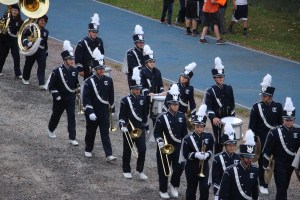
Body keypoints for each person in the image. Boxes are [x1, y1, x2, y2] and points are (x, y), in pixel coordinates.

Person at [248, 73, 283, 195]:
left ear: (270, 96)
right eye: (262, 95)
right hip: (260, 139)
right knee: (262, 161)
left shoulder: (278, 106)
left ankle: (267, 181)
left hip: (273, 140)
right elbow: (252, 126)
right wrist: (251, 141)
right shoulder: (256, 107)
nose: (263, 97)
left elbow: (280, 125)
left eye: (265, 95)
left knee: (271, 162)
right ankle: (262, 183)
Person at [154, 84, 188, 199]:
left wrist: (186, 146)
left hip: (178, 147)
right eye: (174, 104)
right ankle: (163, 189)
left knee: (179, 168)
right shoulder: (161, 117)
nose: (176, 106)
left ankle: (173, 185)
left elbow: (184, 134)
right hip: (165, 146)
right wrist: (159, 141)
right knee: (164, 169)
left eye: (177, 104)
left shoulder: (182, 116)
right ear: (169, 105)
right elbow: (157, 133)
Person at [82, 48, 116, 161]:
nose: (101, 70)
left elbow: (111, 95)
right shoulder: (88, 82)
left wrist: (113, 108)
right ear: (95, 69)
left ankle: (108, 154)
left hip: (104, 111)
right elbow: (86, 99)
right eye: (99, 69)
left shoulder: (108, 80)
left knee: (105, 133)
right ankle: (88, 149)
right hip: (93, 111)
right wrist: (90, 112)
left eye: (102, 68)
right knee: (91, 131)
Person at [262, 97, 300, 200]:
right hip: (279, 163)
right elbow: (267, 150)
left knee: (285, 186)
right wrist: (265, 165)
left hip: (291, 164)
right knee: (281, 187)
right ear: (283, 119)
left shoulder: (298, 132)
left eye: (290, 120)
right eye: (286, 120)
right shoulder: (274, 132)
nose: (288, 122)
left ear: (294, 120)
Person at [118, 67, 149, 180]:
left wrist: (147, 126)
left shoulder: (143, 98)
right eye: (135, 89)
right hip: (129, 128)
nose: (137, 90)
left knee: (143, 149)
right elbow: (122, 116)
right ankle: (126, 170)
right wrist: (122, 126)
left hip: (140, 128)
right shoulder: (125, 100)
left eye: (139, 89)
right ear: (131, 89)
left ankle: (139, 170)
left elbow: (145, 115)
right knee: (127, 150)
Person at [47, 40, 79, 146]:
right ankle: (51, 128)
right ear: (65, 60)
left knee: (71, 117)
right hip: (60, 97)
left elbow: (76, 84)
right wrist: (57, 96)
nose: (72, 61)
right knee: (56, 115)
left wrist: (77, 91)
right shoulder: (57, 71)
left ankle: (72, 137)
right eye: (70, 59)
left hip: (70, 97)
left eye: (72, 59)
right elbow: (51, 86)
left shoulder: (75, 71)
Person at [181, 104, 214, 200]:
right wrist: (195, 154)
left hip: (204, 167)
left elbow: (211, 150)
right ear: (194, 125)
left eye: (201, 126)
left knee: (205, 188)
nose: (199, 128)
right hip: (191, 167)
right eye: (197, 126)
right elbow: (185, 154)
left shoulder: (209, 136)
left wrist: (208, 154)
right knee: (191, 189)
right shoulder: (187, 138)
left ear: (204, 126)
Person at [204, 57, 235, 154]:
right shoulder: (210, 91)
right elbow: (208, 107)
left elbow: (232, 104)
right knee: (219, 141)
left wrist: (232, 118)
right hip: (217, 119)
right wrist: (213, 117)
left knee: (230, 140)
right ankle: (217, 158)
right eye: (218, 77)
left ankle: (228, 157)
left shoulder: (229, 88)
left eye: (222, 77)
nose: (221, 78)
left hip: (228, 118)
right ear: (214, 78)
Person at [218, 129, 259, 200]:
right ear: (241, 157)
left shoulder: (255, 170)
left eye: (251, 157)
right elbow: (223, 194)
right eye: (247, 157)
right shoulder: (230, 171)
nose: (249, 160)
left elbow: (255, 191)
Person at [163, 62, 197, 127]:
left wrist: (193, 115)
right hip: (172, 111)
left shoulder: (190, 88)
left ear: (188, 79)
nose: (183, 78)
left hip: (182, 112)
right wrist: (164, 111)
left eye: (185, 77)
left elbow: (192, 102)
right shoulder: (174, 85)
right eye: (182, 76)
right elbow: (168, 99)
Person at [212, 123, 240, 200]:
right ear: (225, 145)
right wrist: (217, 193)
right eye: (229, 145)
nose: (232, 147)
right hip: (222, 189)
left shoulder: (238, 158)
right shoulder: (217, 158)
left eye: (233, 145)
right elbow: (216, 177)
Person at [140, 44, 165, 127]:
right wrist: (148, 92)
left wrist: (161, 91)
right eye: (150, 62)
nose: (152, 63)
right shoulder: (142, 71)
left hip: (156, 97)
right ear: (146, 63)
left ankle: (155, 131)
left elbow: (160, 84)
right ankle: (143, 128)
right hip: (145, 97)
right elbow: (141, 86)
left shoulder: (158, 72)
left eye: (153, 61)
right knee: (144, 113)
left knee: (156, 115)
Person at [22, 15, 49, 88]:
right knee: (28, 64)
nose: (43, 22)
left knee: (42, 66)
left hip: (41, 51)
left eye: (44, 21)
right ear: (38, 20)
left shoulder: (46, 32)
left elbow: (45, 43)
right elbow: (24, 36)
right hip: (32, 50)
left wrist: (46, 51)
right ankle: (25, 78)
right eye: (41, 20)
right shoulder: (31, 27)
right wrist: (27, 43)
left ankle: (41, 83)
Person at [75, 13, 104, 80]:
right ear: (89, 31)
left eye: (96, 32)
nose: (95, 33)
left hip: (98, 68)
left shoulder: (100, 41)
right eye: (93, 32)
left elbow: (102, 55)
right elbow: (78, 57)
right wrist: (80, 69)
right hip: (87, 68)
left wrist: (102, 66)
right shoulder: (82, 43)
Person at [0, 4, 23, 78]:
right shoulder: (5, 17)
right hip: (5, 40)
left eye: (16, 10)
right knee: (2, 56)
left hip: (14, 41)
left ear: (18, 12)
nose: (14, 12)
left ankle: (18, 73)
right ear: (11, 10)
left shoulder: (20, 21)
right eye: (13, 10)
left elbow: (21, 32)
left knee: (16, 57)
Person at [122, 24, 145, 89]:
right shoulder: (130, 53)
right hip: (134, 77)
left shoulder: (145, 52)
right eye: (139, 42)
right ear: (135, 43)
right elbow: (133, 67)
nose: (141, 44)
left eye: (142, 42)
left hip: (144, 77)